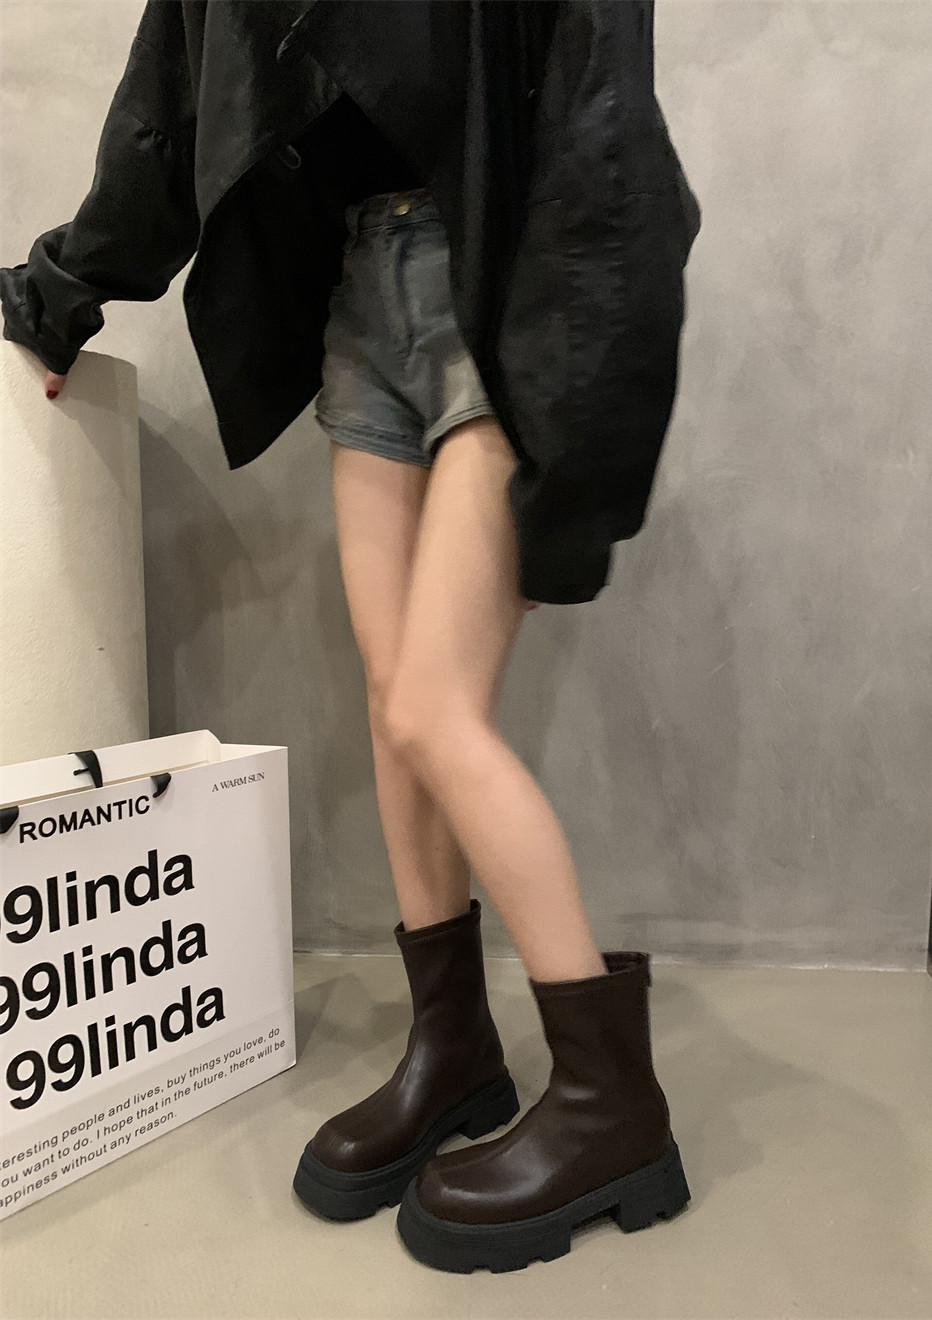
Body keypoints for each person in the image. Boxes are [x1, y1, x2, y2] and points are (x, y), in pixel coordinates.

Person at [10, 34, 692, 1268]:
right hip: (361, 295)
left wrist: (585, 379)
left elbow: (600, 98)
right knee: (391, 704)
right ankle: (454, 1047)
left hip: (500, 280)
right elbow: (173, 93)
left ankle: (612, 1102)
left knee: (437, 707)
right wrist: (62, 293)